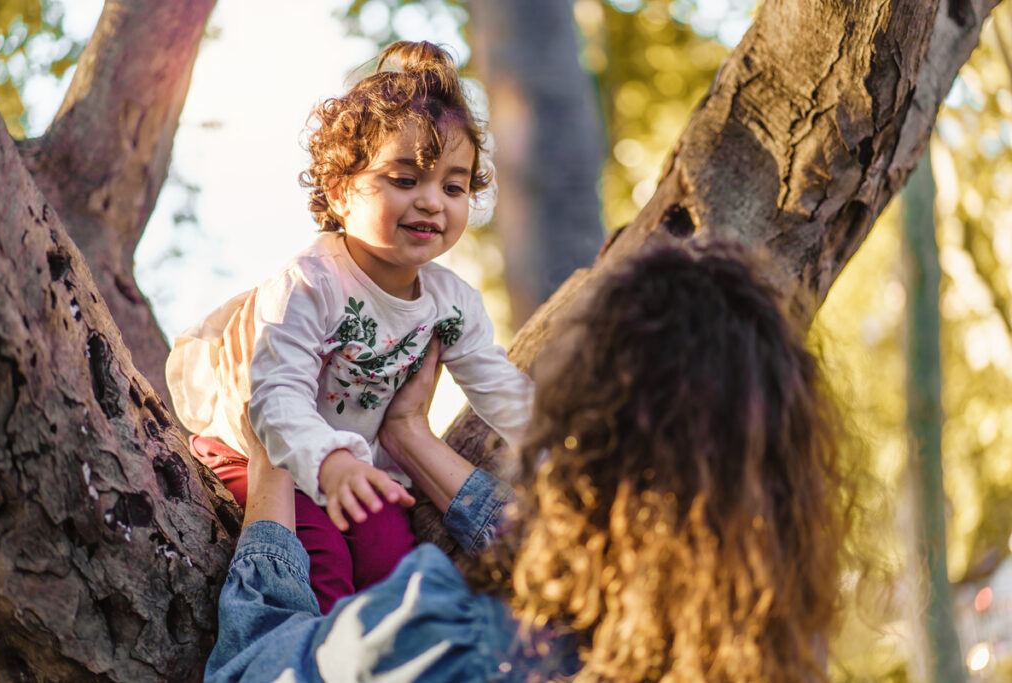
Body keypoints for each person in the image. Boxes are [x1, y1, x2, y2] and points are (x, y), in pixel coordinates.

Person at [205, 240, 853, 682]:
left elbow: (249, 671)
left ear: (579, 438)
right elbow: (583, 558)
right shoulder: (767, 658)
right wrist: (411, 439)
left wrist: (271, 465)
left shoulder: (450, 642)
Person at [164, 40, 533, 614]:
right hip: (267, 454)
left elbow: (497, 384)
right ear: (340, 191)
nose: (433, 202)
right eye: (405, 180)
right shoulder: (312, 283)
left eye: (453, 186)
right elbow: (276, 394)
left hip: (353, 464)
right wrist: (329, 463)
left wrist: (564, 443)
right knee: (324, 565)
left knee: (393, 559)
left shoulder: (450, 302)